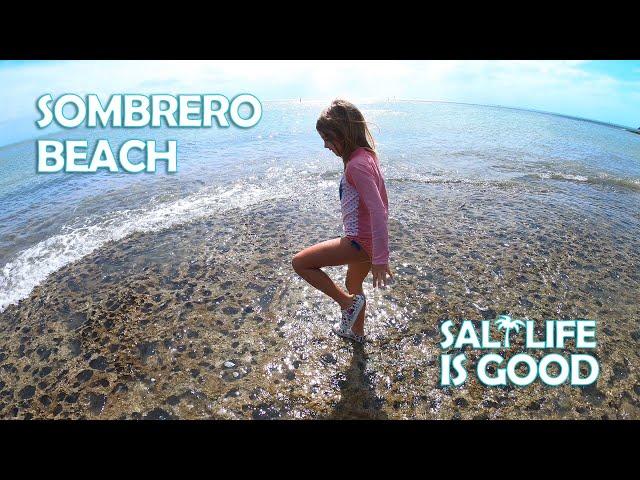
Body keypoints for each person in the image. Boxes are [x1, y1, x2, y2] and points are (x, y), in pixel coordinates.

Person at [292, 99, 393, 343]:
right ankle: (357, 335)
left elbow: (379, 211)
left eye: (328, 139)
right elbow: (380, 205)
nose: (326, 146)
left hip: (359, 242)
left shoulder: (356, 166)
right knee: (353, 283)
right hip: (366, 241)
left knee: (300, 263)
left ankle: (346, 304)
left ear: (344, 135)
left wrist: (380, 258)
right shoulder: (366, 156)